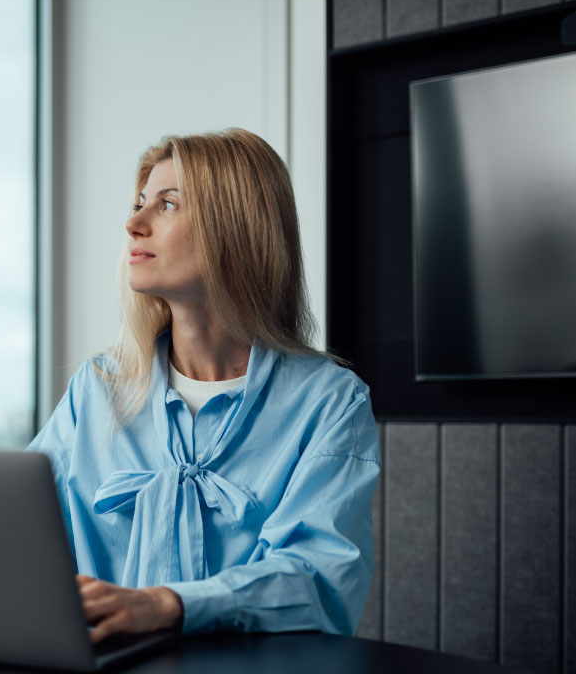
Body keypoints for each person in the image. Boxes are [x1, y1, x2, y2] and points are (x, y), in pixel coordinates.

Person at [28, 129, 380, 644]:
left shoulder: (330, 403)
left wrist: (169, 605)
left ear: (235, 228)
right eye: (138, 204)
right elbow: (22, 535)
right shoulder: (96, 389)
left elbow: (319, 578)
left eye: (166, 205)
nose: (133, 224)